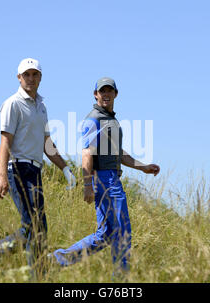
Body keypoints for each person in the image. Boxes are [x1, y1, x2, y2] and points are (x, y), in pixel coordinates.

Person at [0, 58, 76, 278]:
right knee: (31, 226)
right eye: (26, 75)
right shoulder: (12, 103)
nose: (31, 79)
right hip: (18, 169)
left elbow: (46, 143)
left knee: (38, 228)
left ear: (40, 78)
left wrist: (65, 169)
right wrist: (1, 176)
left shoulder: (41, 107)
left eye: (35, 75)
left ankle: (37, 275)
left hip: (35, 172)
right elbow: (5, 142)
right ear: (19, 77)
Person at [51, 77, 160, 278]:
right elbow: (86, 154)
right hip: (105, 180)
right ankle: (121, 277)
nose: (106, 94)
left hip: (109, 178)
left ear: (116, 94)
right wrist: (87, 185)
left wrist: (143, 167)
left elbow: (118, 153)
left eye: (110, 91)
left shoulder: (110, 120)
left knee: (106, 234)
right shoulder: (95, 119)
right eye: (102, 91)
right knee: (122, 230)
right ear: (96, 94)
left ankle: (55, 260)